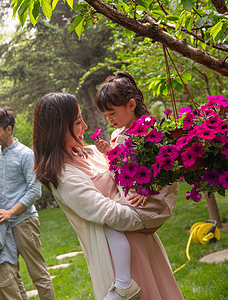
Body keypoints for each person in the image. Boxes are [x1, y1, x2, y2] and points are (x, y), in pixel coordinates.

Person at [33, 92, 183, 300]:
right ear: (58, 128)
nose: (85, 126)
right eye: (78, 122)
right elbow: (108, 214)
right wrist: (146, 219)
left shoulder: (94, 152)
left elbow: (128, 177)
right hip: (120, 259)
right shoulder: (63, 177)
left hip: (144, 242)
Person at [88, 71, 178, 299]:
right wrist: (110, 153)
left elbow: (164, 166)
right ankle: (123, 280)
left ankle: (123, 282)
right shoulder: (120, 133)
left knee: (109, 222)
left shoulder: (147, 130)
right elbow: (123, 167)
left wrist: (148, 190)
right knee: (106, 220)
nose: (109, 118)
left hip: (151, 201)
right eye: (105, 114)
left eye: (112, 112)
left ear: (131, 104)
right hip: (134, 197)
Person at [0, 107, 55, 299]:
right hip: (1, 225)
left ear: (9, 129)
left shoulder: (26, 155)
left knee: (38, 273)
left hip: (23, 222)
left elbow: (35, 190)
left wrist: (10, 212)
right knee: (12, 276)